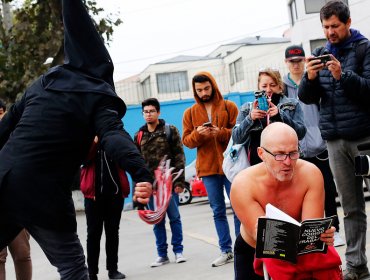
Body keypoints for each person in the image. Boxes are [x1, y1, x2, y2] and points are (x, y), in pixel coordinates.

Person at [0, 0, 152, 279]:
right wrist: (141, 173)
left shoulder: (43, 83)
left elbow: (5, 126)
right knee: (72, 267)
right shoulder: (98, 94)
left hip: (4, 177)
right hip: (43, 191)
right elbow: (114, 136)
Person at [298, 1, 370, 279]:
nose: (330, 32)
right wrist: (311, 77)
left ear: (348, 23)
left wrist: (343, 75)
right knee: (351, 208)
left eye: (335, 26)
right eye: (326, 27)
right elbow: (307, 98)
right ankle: (356, 266)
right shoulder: (319, 53)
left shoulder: (364, 49)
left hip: (364, 137)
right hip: (335, 142)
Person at [230, 122, 337, 279]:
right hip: (253, 250)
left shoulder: (310, 174)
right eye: (279, 155)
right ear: (261, 154)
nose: (287, 162)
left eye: (293, 153)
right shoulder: (243, 184)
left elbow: (309, 237)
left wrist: (321, 236)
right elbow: (262, 238)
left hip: (297, 251)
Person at [231, 68, 306, 279]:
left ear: (280, 86)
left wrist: (280, 115)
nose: (268, 90)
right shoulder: (247, 108)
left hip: (286, 171)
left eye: (272, 85)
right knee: (257, 225)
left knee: (284, 217)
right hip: (256, 173)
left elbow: (301, 132)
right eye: (264, 86)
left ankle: (283, 261)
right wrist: (250, 120)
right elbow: (236, 137)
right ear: (258, 87)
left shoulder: (290, 104)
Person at [283, 45, 345, 247]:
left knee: (328, 191)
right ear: (286, 63)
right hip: (296, 151)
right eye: (292, 61)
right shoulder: (282, 87)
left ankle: (333, 231)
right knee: (299, 196)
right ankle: (305, 236)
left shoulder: (315, 79)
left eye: (299, 60)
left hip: (320, 147)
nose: (296, 65)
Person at [182, 71, 240, 267]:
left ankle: (242, 248)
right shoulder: (190, 113)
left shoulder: (229, 106)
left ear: (213, 85)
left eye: (206, 88)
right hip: (207, 169)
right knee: (218, 211)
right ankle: (226, 251)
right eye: (199, 90)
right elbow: (187, 141)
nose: (203, 93)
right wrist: (199, 134)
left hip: (231, 166)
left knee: (240, 208)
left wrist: (221, 132)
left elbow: (240, 133)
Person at [134, 98, 187, 267]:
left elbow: (179, 156)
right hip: (150, 186)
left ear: (158, 112)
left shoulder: (169, 130)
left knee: (175, 218)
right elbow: (136, 162)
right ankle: (162, 255)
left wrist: (179, 182)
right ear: (142, 114)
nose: (148, 114)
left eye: (151, 111)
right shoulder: (139, 135)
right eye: (145, 112)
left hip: (169, 184)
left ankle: (178, 251)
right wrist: (140, 187)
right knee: (156, 220)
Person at [81, 137, 127, 280]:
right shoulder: (85, 135)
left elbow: (125, 158)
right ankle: (92, 272)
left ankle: (113, 269)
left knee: (113, 232)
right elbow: (83, 159)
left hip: (115, 194)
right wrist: (94, 142)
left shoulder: (114, 136)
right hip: (93, 197)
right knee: (93, 234)